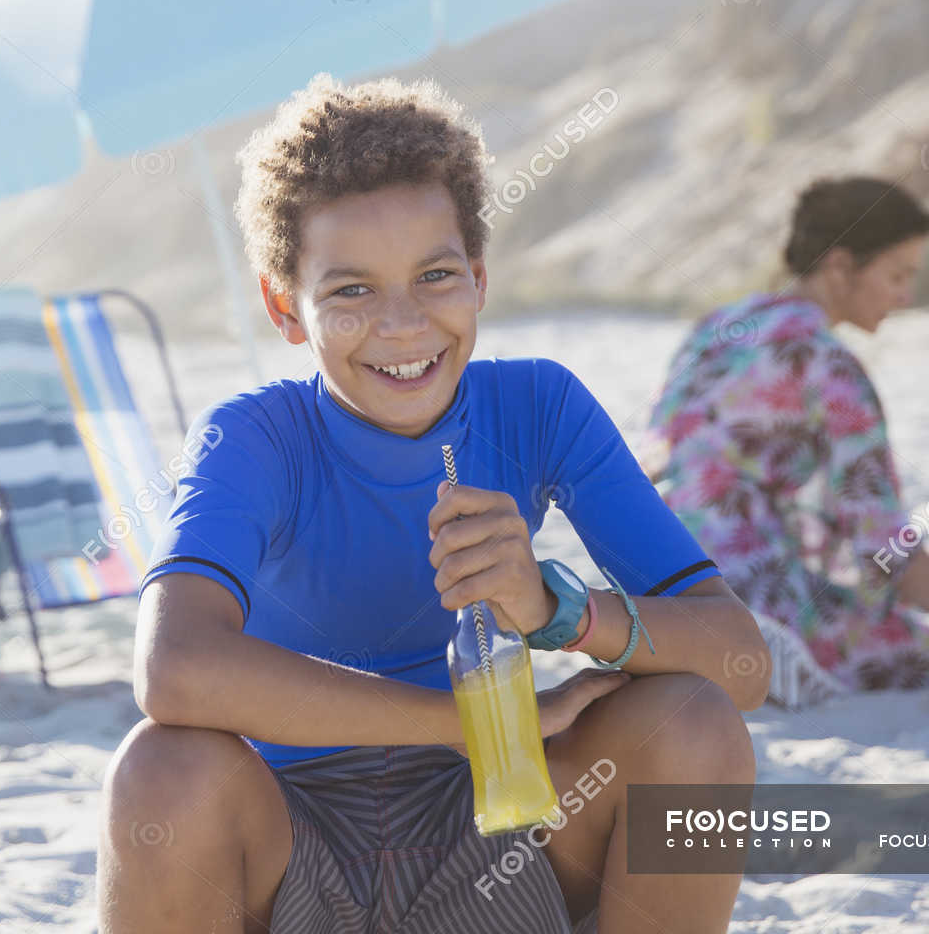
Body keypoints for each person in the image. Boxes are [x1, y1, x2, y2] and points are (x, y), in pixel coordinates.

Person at [98, 73, 769, 934]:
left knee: (692, 723)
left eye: (435, 275)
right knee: (162, 771)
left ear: (480, 279)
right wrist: (455, 721)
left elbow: (743, 666)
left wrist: (556, 610)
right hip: (288, 843)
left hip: (502, 833)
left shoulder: (540, 407)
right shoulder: (253, 439)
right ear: (282, 305)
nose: (405, 323)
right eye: (351, 290)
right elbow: (173, 670)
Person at [647, 176, 929, 709]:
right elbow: (887, 547)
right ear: (842, 266)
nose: (905, 295)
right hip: (741, 606)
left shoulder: (716, 326)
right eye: (897, 275)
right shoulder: (827, 365)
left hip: (656, 589)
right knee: (926, 659)